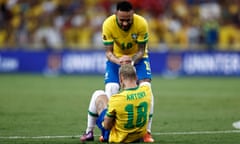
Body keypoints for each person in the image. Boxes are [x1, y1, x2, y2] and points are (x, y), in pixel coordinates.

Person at [102, 1, 155, 142]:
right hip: (116, 59)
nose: (125, 23)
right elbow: (108, 52)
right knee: (111, 87)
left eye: (128, 20)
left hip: (138, 59)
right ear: (116, 15)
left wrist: (130, 61)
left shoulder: (141, 23)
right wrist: (119, 61)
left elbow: (141, 51)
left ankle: (147, 132)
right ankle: (109, 131)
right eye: (122, 20)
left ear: (133, 15)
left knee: (146, 87)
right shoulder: (108, 24)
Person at [80, 64, 152, 143]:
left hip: (119, 138)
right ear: (136, 77)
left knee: (98, 94)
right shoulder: (147, 91)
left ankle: (89, 132)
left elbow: (107, 126)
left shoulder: (116, 99)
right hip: (138, 136)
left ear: (121, 79)